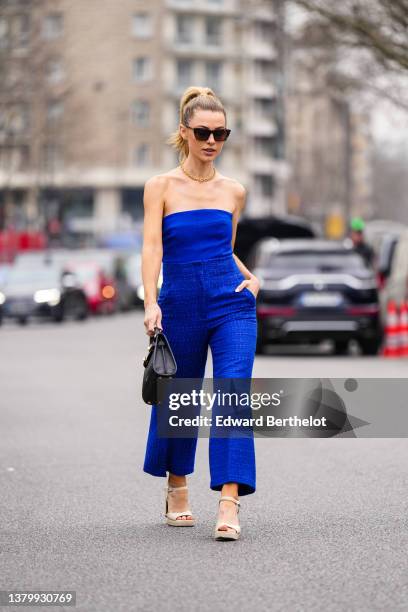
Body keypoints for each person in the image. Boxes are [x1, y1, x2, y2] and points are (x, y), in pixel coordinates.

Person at [141, 86, 260, 541]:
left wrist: (254, 278)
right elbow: (152, 247)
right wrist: (151, 302)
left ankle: (229, 501)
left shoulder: (235, 190)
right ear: (184, 132)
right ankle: (176, 487)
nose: (212, 140)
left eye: (221, 132)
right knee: (180, 397)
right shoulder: (160, 187)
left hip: (231, 303)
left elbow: (226, 250)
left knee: (233, 393)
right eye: (203, 132)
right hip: (180, 302)